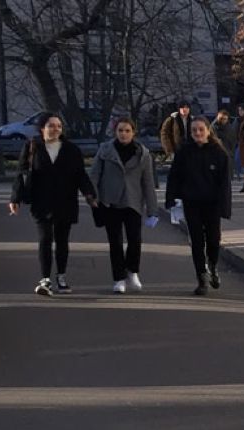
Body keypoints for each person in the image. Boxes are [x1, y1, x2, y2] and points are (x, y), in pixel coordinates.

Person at [10, 112, 97, 296]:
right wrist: (15, 198)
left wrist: (89, 194)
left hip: (65, 200)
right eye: (51, 125)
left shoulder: (71, 149)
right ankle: (45, 279)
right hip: (41, 201)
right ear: (42, 129)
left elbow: (80, 175)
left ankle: (61, 276)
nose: (55, 129)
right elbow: (21, 172)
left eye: (58, 126)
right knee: (45, 239)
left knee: (62, 241)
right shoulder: (32, 146)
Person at [90, 117, 158, 294]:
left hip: (133, 202)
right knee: (116, 242)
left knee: (135, 240)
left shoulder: (142, 154)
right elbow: (95, 175)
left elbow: (148, 183)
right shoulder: (105, 150)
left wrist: (152, 210)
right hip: (110, 201)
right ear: (115, 132)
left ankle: (132, 271)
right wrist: (93, 197)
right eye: (120, 130)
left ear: (133, 132)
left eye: (127, 130)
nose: (123, 134)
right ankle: (119, 278)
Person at [164, 116, 232, 296]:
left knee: (213, 240)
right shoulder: (184, 152)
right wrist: (171, 198)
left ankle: (212, 265)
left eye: (201, 129)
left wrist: (225, 207)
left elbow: (225, 183)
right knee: (196, 241)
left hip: (212, 204)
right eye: (194, 130)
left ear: (208, 131)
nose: (198, 133)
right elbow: (174, 177)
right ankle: (201, 278)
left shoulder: (219, 153)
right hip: (191, 202)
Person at [211, 109, 238, 178]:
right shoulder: (213, 127)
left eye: (225, 119)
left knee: (227, 176)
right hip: (216, 153)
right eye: (222, 119)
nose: (224, 120)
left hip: (227, 153)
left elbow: (233, 141)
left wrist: (231, 152)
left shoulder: (230, 127)